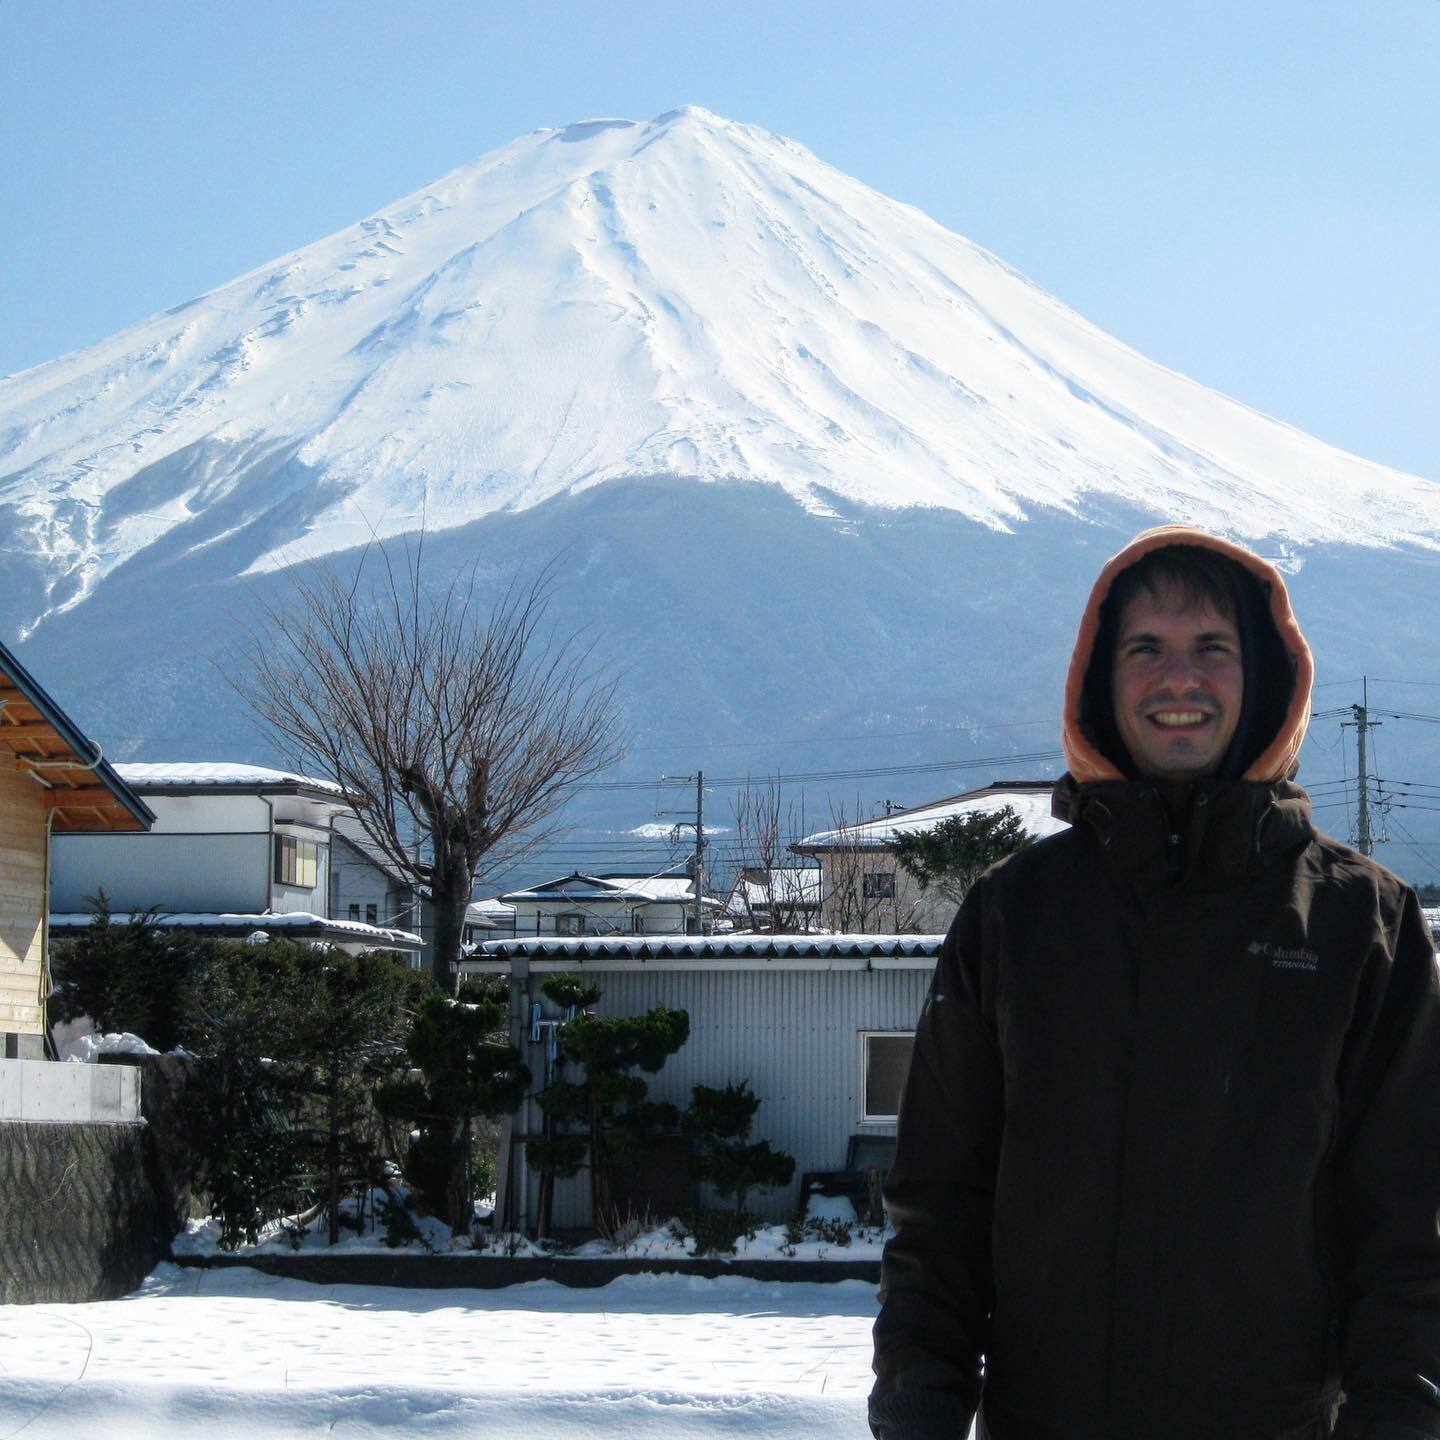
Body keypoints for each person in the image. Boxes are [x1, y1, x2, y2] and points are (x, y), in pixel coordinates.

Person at [869, 525, 1440, 1440]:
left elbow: (1407, 1221)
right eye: (1146, 649)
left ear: (1266, 679)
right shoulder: (1017, 914)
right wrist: (918, 1400)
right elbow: (940, 1198)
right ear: (1098, 679)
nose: (1180, 680)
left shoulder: (1360, 921)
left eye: (1212, 648)